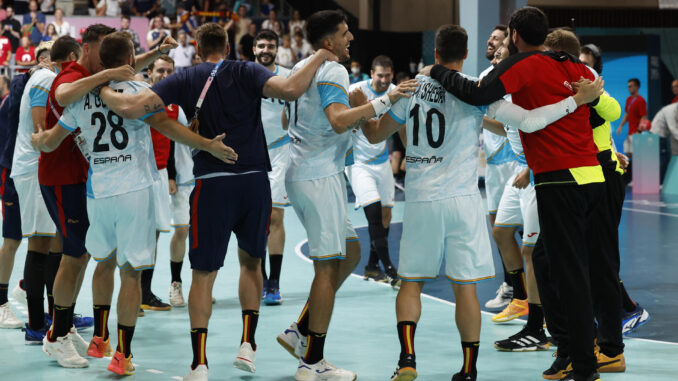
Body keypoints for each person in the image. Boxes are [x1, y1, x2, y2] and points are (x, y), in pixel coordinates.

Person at [97, 21, 340, 380]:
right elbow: (290, 89)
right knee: (251, 265)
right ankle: (247, 344)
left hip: (211, 185)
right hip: (255, 181)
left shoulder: (187, 77)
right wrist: (321, 53)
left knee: (203, 275)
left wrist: (104, 90)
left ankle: (199, 364)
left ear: (197, 48)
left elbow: (135, 107)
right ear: (227, 48)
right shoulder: (247, 69)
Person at [359, 24, 600, 381]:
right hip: (463, 200)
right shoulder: (475, 90)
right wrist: (574, 102)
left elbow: (377, 133)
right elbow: (529, 123)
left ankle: (407, 359)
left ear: (435, 54)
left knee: (411, 283)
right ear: (464, 54)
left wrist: (363, 115)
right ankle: (468, 371)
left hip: (423, 198)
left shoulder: (407, 89)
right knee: (465, 289)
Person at [427, 7, 621, 381]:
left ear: (514, 34)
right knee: (565, 267)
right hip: (593, 178)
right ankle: (574, 351)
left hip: (558, 180)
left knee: (569, 276)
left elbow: (477, 92)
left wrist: (436, 70)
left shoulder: (525, 64)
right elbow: (601, 107)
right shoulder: (578, 68)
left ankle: (582, 366)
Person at [33, 31, 233, 376]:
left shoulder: (83, 97)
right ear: (129, 59)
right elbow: (167, 127)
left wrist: (37, 139)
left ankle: (99, 337)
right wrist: (208, 145)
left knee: (102, 262)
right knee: (130, 274)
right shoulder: (141, 93)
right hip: (135, 192)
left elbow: (50, 142)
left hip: (97, 193)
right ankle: (121, 354)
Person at [274, 10, 416, 380]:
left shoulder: (301, 67)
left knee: (351, 252)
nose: (351, 36)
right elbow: (338, 120)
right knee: (326, 269)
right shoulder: (333, 70)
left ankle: (300, 329)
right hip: (319, 177)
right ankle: (312, 362)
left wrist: (393, 104)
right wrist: (386, 99)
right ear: (328, 42)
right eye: (344, 32)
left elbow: (367, 133)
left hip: (306, 172)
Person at [31, 24, 177, 365]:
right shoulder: (76, 75)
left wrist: (154, 54)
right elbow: (63, 95)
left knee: (94, 258)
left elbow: (124, 68)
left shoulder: (98, 81)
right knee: (86, 259)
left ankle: (89, 336)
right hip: (78, 180)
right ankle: (64, 337)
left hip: (93, 184)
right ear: (87, 48)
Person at [10, 40, 59, 344]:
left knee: (53, 244)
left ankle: (56, 315)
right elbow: (41, 133)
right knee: (39, 245)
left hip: (41, 170)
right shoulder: (44, 77)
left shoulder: (50, 79)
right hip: (34, 170)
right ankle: (35, 323)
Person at [345, 55, 398, 286]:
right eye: (380, 75)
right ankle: (389, 269)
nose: (384, 80)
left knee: (386, 216)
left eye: (388, 75)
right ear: (371, 74)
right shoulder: (355, 91)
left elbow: (401, 125)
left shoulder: (395, 92)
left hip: (382, 161)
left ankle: (371, 266)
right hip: (358, 163)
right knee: (374, 214)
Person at [478, 25, 518, 313]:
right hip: (493, 165)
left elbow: (511, 127)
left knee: (525, 232)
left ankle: (529, 289)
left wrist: (476, 114)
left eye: (497, 39)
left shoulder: (513, 76)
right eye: (490, 38)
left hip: (516, 162)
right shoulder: (483, 76)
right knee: (500, 231)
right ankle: (512, 287)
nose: (491, 42)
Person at [253, 29, 290, 306]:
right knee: (257, 220)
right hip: (252, 153)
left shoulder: (288, 76)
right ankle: (261, 278)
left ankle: (274, 282)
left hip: (281, 151)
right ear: (254, 48)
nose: (266, 49)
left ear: (278, 48)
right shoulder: (243, 75)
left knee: (276, 216)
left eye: (270, 45)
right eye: (261, 45)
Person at [0, 73, 23, 329]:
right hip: (13, 173)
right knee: (12, 239)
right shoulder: (14, 95)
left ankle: (28, 288)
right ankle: (0, 303)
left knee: (47, 240)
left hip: (37, 173)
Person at [617, 78, 647, 156]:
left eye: (630, 86)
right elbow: (627, 114)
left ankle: (637, 167)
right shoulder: (629, 99)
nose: (629, 88)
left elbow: (643, 117)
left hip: (637, 132)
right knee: (628, 152)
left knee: (636, 154)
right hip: (630, 131)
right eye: (628, 86)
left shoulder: (641, 100)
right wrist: (621, 126)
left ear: (636, 87)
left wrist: (639, 131)